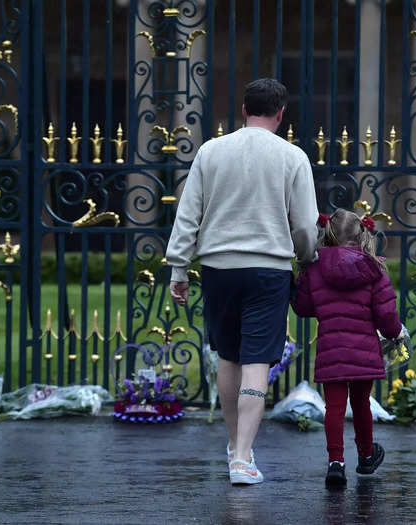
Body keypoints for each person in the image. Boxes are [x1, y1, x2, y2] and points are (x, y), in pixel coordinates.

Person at [166, 78, 319, 485]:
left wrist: (179, 267)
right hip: (269, 269)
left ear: (243, 108)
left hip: (218, 267)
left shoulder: (211, 152)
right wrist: (306, 259)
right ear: (281, 113)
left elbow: (189, 214)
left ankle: (235, 446)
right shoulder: (293, 156)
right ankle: (243, 458)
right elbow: (305, 225)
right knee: (256, 362)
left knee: (229, 357)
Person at [291, 208, 401, 488]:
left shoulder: (314, 268)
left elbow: (303, 307)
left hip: (332, 349)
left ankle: (335, 463)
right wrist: (395, 333)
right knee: (361, 403)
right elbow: (386, 316)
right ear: (363, 234)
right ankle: (365, 456)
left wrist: (298, 280)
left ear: (328, 234)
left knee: (335, 407)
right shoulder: (374, 268)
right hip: (363, 350)